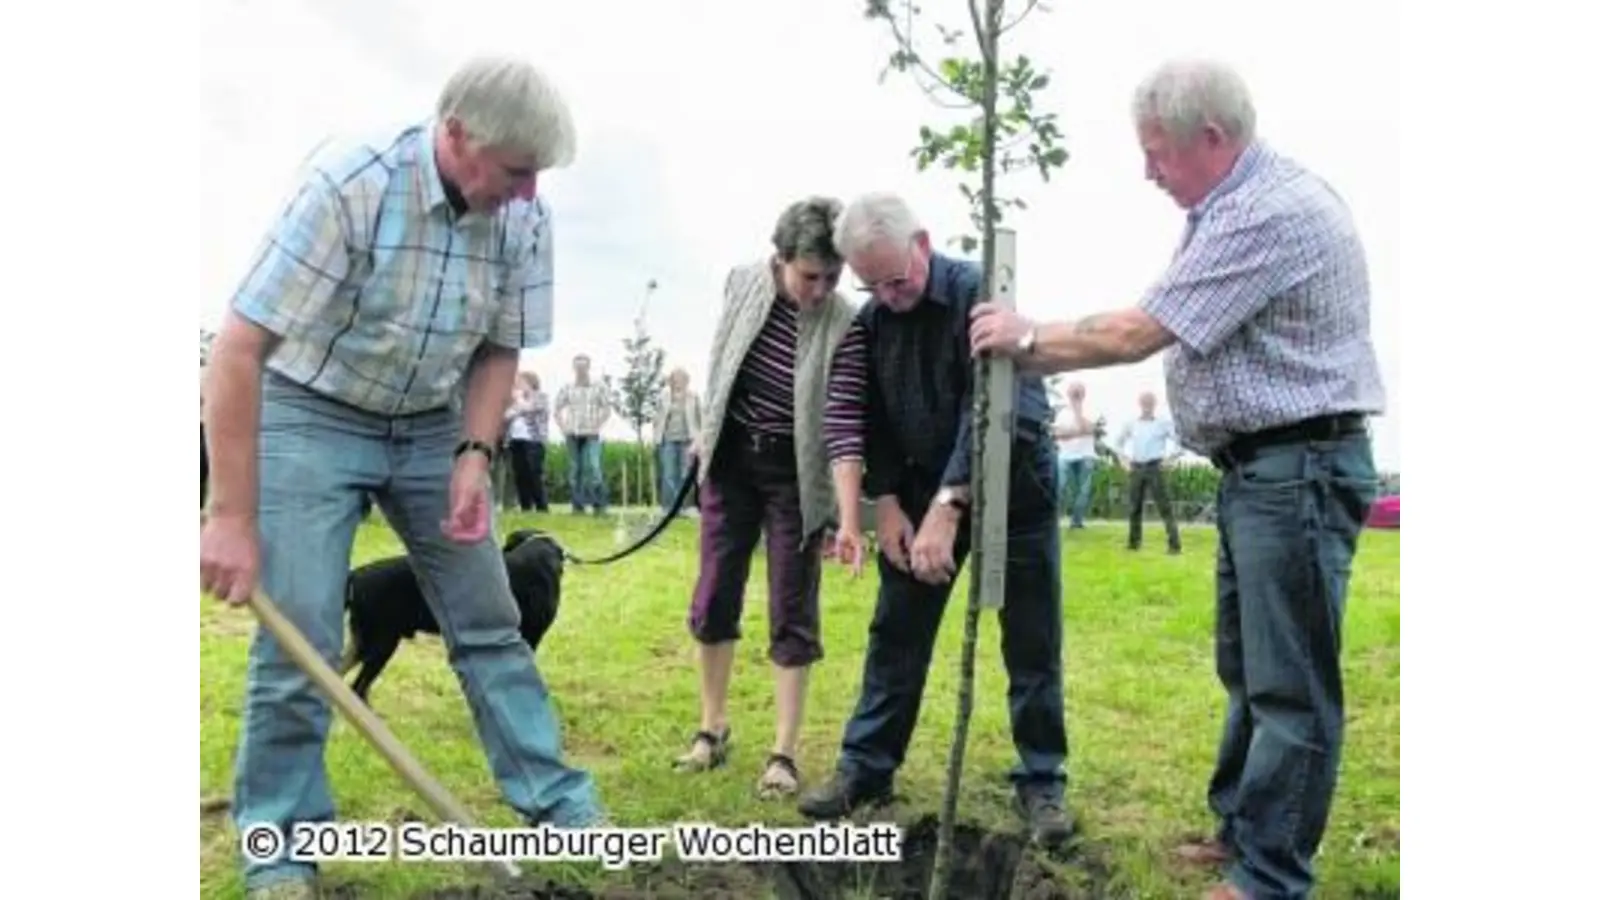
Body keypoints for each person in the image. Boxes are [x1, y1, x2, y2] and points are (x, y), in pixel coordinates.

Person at [968, 58, 1387, 900]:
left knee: (1290, 686)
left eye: (1157, 152)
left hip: (1296, 469)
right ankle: (1241, 830)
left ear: (1212, 137)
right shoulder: (1227, 205)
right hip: (1262, 469)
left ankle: (1268, 877)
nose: (1147, 171)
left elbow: (1135, 333)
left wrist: (1023, 336)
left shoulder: (1268, 212)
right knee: (1250, 670)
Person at [198, 55, 607, 900]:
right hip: (312, 408)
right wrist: (230, 514)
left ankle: (561, 806)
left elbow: (501, 346)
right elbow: (237, 350)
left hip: (430, 422)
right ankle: (280, 847)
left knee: (491, 620)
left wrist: (473, 453)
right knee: (302, 639)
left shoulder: (527, 218)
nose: (530, 192)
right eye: (518, 170)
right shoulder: (350, 184)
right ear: (457, 136)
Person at [799, 191, 1075, 847]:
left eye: (897, 279)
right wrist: (891, 500)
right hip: (921, 496)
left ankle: (1042, 781)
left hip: (1016, 491)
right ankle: (867, 768)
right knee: (896, 630)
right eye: (872, 285)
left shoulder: (982, 296)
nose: (888, 295)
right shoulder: (872, 322)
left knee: (1031, 641)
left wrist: (952, 502)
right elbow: (875, 419)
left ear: (922, 243)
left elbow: (1004, 411)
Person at [674, 197, 859, 799]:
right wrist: (705, 437)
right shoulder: (741, 283)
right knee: (715, 592)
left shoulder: (846, 321)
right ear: (778, 260)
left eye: (833, 277)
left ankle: (783, 751)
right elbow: (720, 360)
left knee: (792, 607)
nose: (822, 289)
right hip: (731, 460)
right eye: (811, 276)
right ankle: (712, 728)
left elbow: (842, 419)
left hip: (795, 474)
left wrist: (836, 511)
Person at [1114, 391, 1182, 554]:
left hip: (1155, 467)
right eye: (1144, 402)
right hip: (1136, 466)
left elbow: (1180, 442)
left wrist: (1170, 459)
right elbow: (1118, 443)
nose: (1146, 405)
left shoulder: (1163, 423)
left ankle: (1174, 545)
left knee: (1164, 506)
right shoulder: (1131, 423)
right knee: (1134, 507)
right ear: (1139, 403)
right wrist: (1123, 460)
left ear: (1154, 404)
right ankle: (1133, 543)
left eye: (1149, 402)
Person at [554, 354, 610, 514]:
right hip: (572, 432)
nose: (580, 370)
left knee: (593, 467)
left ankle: (599, 505)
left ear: (588, 367)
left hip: (591, 433)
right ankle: (577, 506)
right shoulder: (568, 387)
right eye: (578, 367)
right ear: (574, 368)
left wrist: (598, 424)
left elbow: (606, 408)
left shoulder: (598, 386)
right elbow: (557, 408)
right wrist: (563, 426)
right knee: (575, 469)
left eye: (583, 367)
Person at [652, 367, 702, 511]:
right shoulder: (663, 397)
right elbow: (657, 418)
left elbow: (700, 419)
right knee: (668, 474)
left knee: (685, 474)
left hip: (688, 440)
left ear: (686, 380)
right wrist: (656, 437)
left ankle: (685, 506)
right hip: (668, 439)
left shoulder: (694, 396)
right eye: (675, 378)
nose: (678, 381)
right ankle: (668, 507)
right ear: (671, 381)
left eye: (681, 378)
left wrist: (699, 440)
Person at [1052, 380, 1097, 529]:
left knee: (1083, 490)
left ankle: (1076, 522)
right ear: (1068, 394)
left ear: (1084, 394)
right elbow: (1057, 434)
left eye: (1078, 391)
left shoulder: (1091, 410)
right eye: (1073, 391)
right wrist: (1078, 431)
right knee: (1059, 487)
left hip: (1086, 455)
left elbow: (1089, 429)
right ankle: (1053, 520)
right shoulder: (1062, 413)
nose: (1076, 394)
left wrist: (1078, 411)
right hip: (1065, 455)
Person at [504, 371, 551, 512]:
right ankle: (526, 506)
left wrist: (518, 402)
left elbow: (530, 409)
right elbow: (507, 415)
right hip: (516, 440)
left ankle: (541, 506)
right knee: (520, 474)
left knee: (534, 474)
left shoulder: (541, 397)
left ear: (530, 383)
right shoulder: (517, 399)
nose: (517, 385)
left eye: (520, 382)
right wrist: (518, 404)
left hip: (534, 441)